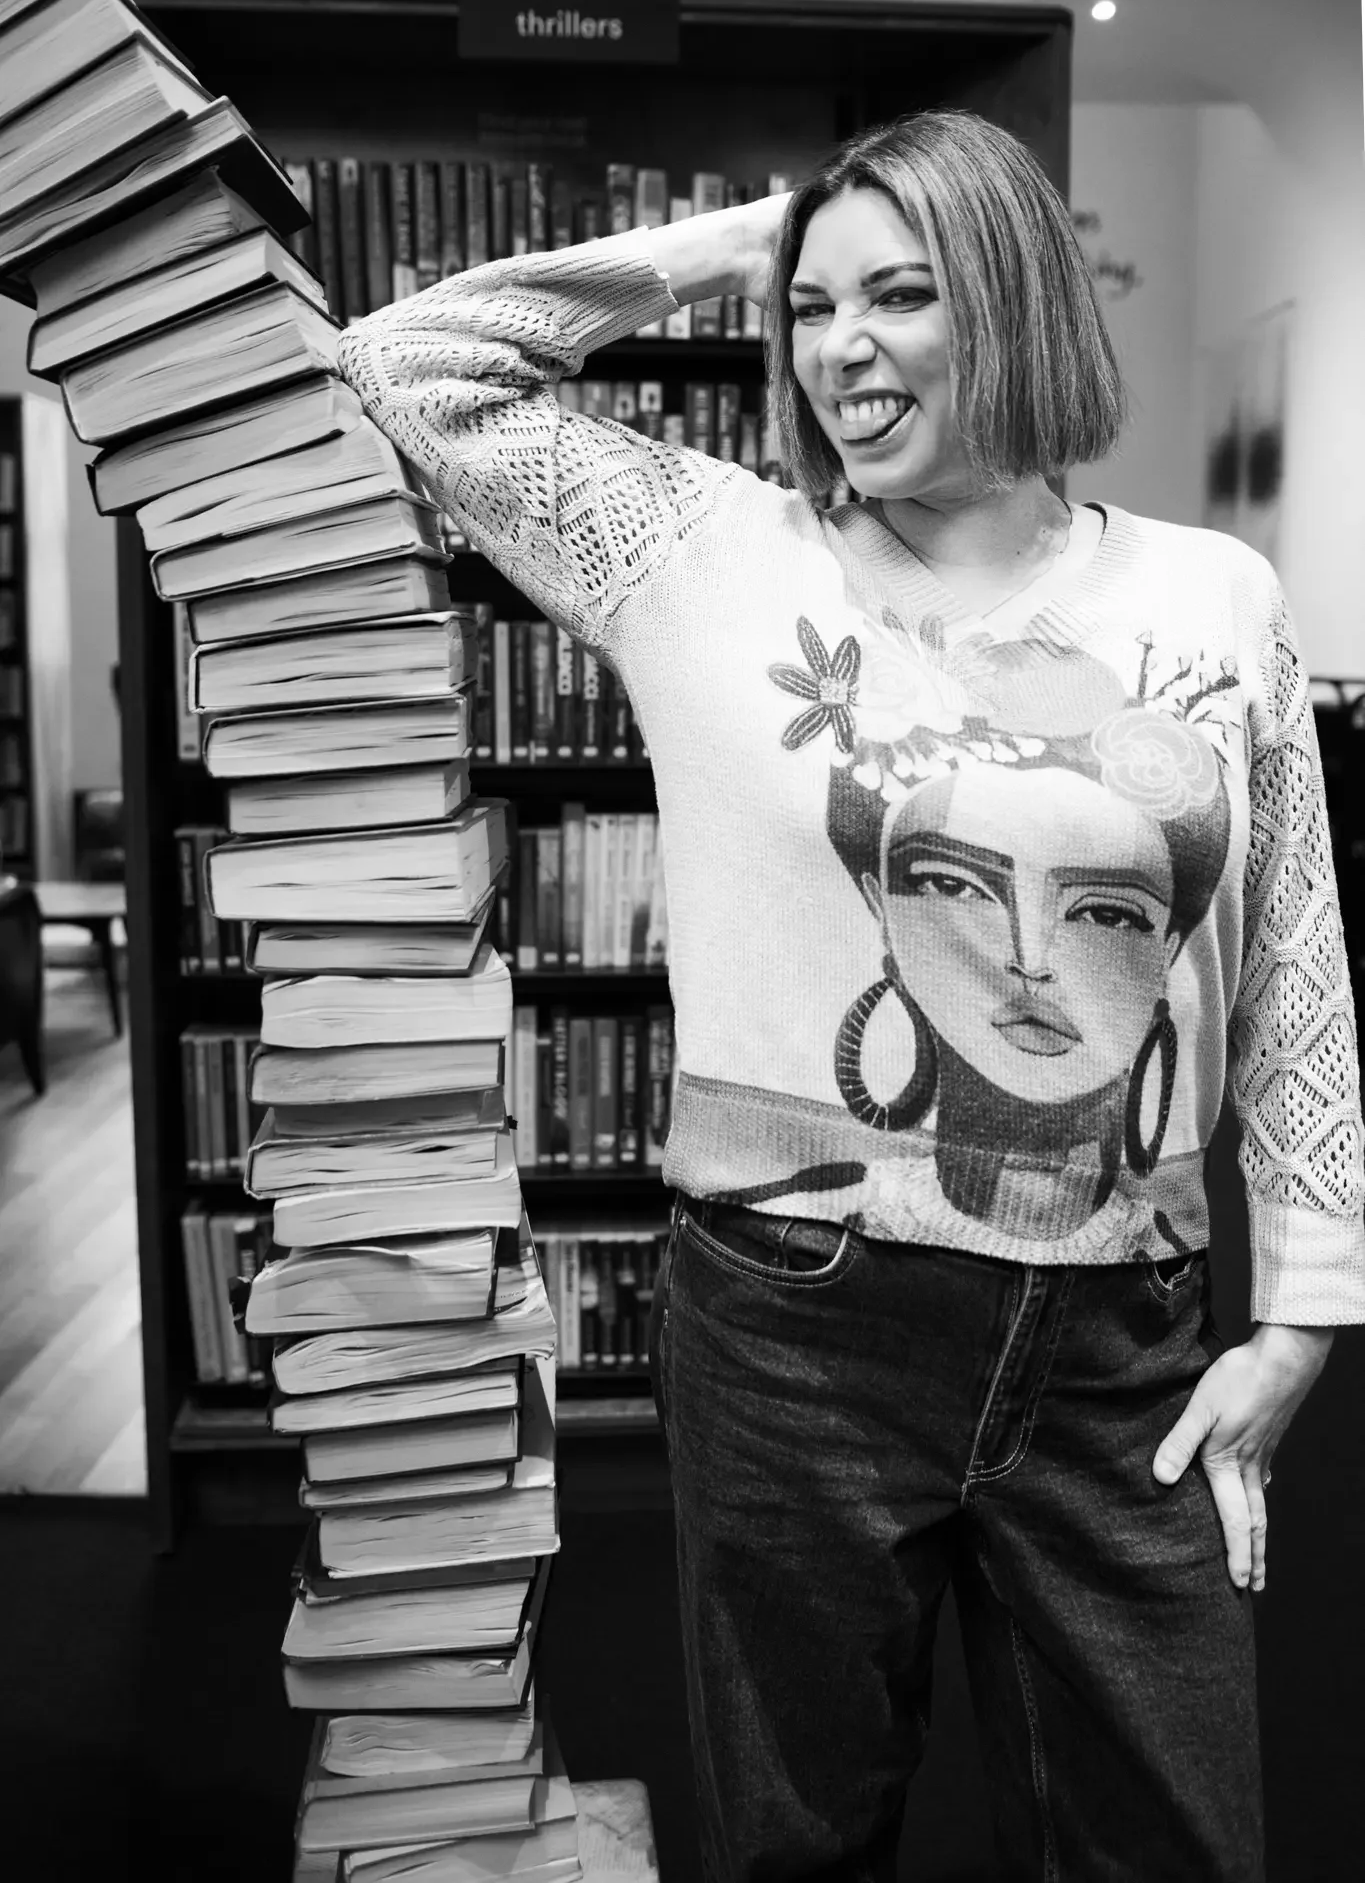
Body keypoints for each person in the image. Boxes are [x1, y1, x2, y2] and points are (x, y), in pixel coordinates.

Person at [338, 109, 1365, 1882]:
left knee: (1175, 1837)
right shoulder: (698, 553)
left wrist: (1306, 1319)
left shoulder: (1212, 595)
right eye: (814, 312)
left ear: (1021, 297)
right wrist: (742, 235)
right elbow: (400, 365)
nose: (840, 353)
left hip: (1122, 1331)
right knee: (803, 1837)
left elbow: (1289, 960)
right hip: (796, 1322)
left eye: (900, 296)